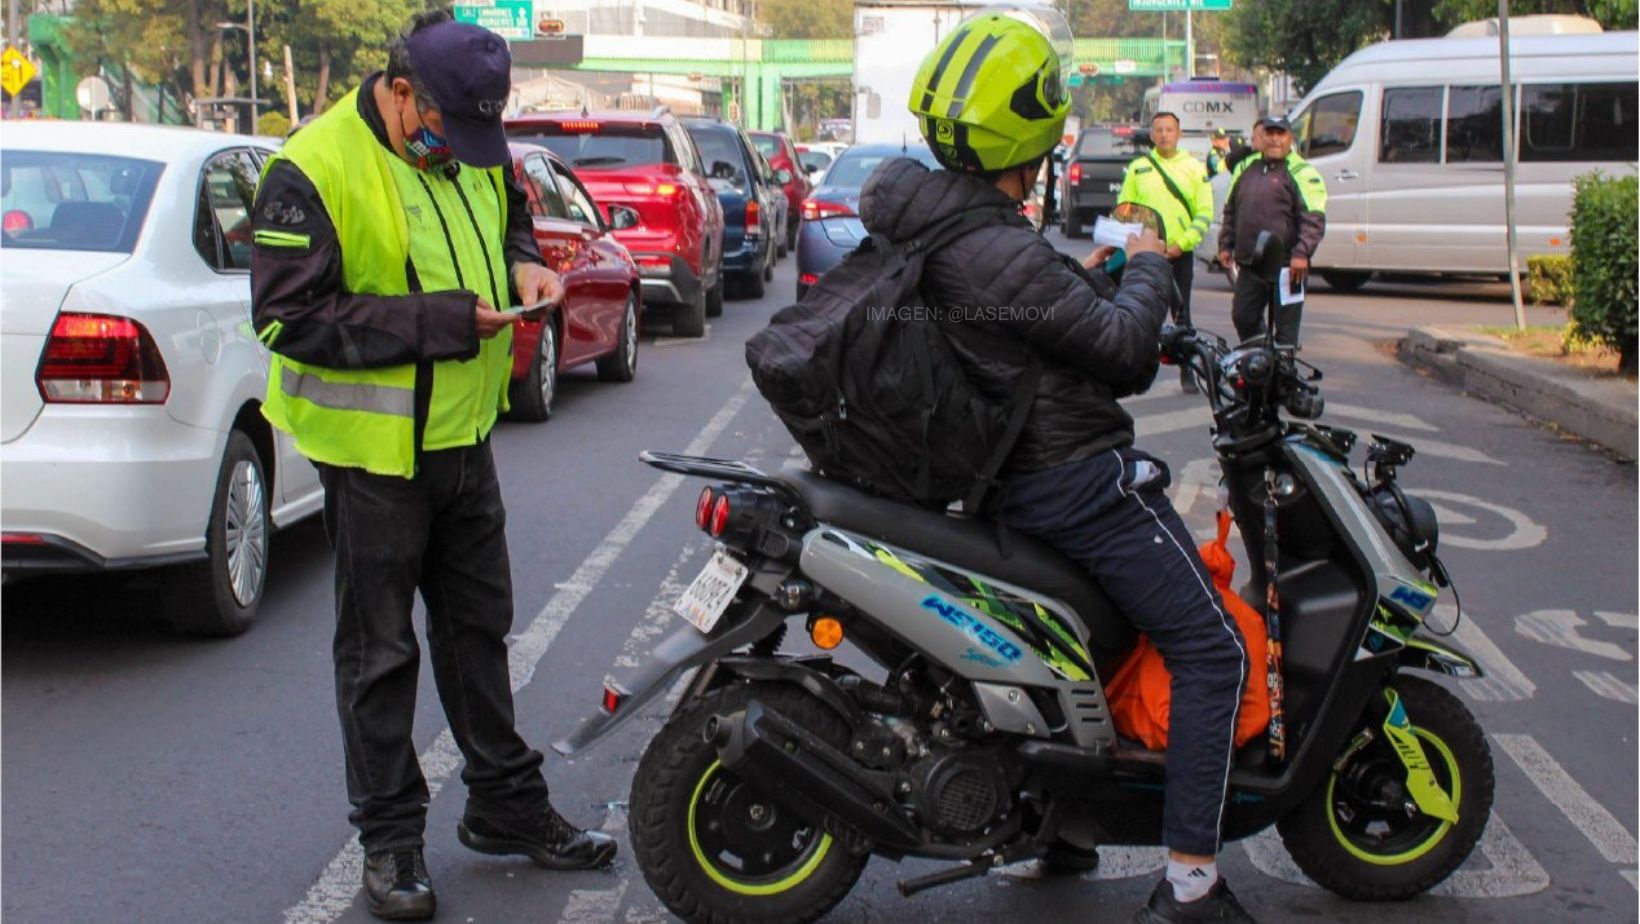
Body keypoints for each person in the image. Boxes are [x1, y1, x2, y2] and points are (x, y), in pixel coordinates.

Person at [249, 11, 615, 921]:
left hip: (463, 437)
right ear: (403, 90)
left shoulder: (466, 138)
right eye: (446, 128)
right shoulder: (313, 165)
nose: (460, 151)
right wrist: (444, 321)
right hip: (373, 454)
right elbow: (287, 319)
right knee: (380, 654)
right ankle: (390, 840)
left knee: (478, 630)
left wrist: (526, 269)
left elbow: (509, 218)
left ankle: (504, 805)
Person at [892, 8, 1255, 922]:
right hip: (1073, 478)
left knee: (1092, 646)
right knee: (1211, 650)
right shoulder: (992, 244)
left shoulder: (950, 224)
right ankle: (1191, 884)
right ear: (1032, 133)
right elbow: (1124, 354)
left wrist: (1086, 279)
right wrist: (1147, 263)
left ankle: (1065, 827)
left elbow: (1028, 320)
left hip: (1011, 473)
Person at [1118, 111, 1213, 391]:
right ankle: (1137, 370)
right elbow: (1124, 209)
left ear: (1179, 134)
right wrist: (1145, 242)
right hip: (1147, 255)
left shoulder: (1193, 168)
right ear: (1151, 135)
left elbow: (1205, 213)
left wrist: (1181, 244)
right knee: (1142, 310)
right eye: (1158, 130)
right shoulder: (1138, 168)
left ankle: (1188, 370)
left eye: (1169, 130)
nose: (1164, 135)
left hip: (1179, 253)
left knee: (1181, 313)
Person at [1217, 115, 1328, 342]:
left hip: (1288, 267)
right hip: (1251, 264)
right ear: (1262, 137)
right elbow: (1231, 209)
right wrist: (1226, 244)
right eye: (1270, 133)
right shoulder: (1246, 167)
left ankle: (1282, 363)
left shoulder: (1303, 172)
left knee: (1286, 331)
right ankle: (1260, 358)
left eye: (1281, 134)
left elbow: (1314, 219)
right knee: (1243, 317)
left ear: (1290, 138)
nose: (1275, 139)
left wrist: (1302, 253)